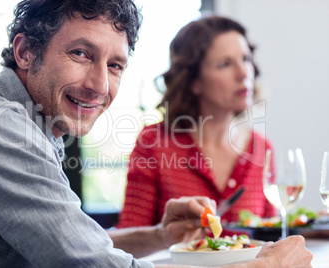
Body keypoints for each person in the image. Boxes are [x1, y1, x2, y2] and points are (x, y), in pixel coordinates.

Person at [0, 1, 312, 267]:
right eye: (80, 53)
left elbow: (78, 245)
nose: (99, 84)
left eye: (115, 65)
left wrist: (162, 234)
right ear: (26, 52)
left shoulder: (34, 127)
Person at [117, 15, 276, 228]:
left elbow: (272, 233)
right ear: (193, 81)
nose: (243, 73)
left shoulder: (261, 149)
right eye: (225, 64)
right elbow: (129, 240)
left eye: (246, 59)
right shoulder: (154, 144)